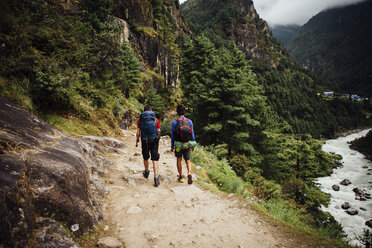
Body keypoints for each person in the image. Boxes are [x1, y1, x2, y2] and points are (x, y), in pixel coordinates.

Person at [136, 105, 161, 187]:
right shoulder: (155, 119)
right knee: (155, 158)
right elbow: (158, 130)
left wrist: (137, 140)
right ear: (151, 110)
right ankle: (156, 176)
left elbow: (138, 132)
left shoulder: (140, 120)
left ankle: (146, 172)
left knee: (145, 156)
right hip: (154, 139)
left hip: (144, 139)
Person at [171, 104, 195, 184]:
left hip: (178, 144)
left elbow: (173, 135)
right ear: (184, 111)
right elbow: (192, 134)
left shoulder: (175, 122)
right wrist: (192, 144)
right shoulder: (189, 121)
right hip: (187, 144)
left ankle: (181, 177)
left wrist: (172, 146)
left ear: (177, 112)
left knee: (179, 160)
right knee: (188, 160)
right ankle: (189, 172)